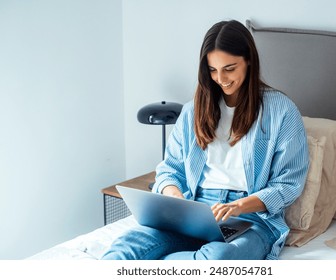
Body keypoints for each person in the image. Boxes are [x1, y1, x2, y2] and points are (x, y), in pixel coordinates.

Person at [101, 20, 309, 260]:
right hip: (194, 210)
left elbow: (288, 184)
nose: (221, 78)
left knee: (216, 260)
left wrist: (240, 206)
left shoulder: (281, 111)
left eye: (230, 68)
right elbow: (170, 170)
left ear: (249, 60)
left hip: (251, 217)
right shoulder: (192, 111)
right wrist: (175, 198)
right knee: (124, 249)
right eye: (212, 70)